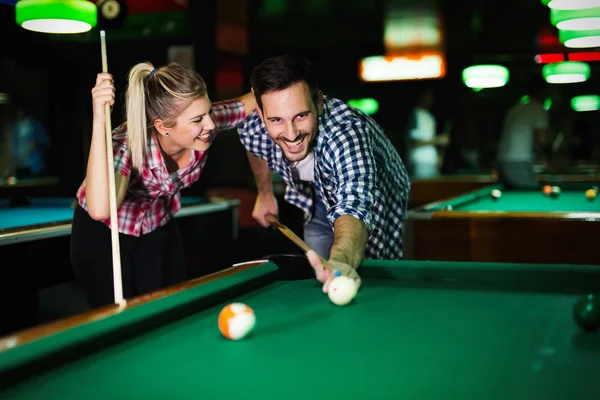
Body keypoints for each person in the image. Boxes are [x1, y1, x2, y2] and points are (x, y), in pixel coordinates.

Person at [70, 62, 255, 309]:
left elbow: (256, 100)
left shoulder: (204, 123)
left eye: (209, 112)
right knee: (118, 321)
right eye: (198, 119)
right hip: (104, 235)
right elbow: (101, 209)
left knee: (171, 308)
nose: (211, 124)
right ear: (162, 126)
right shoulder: (125, 145)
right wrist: (99, 120)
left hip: (158, 225)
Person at [236, 55, 410, 293]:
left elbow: (353, 205)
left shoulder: (347, 134)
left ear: (318, 103)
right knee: (321, 271)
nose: (291, 134)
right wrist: (264, 192)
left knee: (373, 271)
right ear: (260, 112)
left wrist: (342, 261)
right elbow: (254, 144)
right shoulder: (252, 124)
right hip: (315, 197)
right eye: (276, 120)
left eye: (301, 116)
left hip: (376, 196)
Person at [496, 78, 549, 189]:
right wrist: (549, 159)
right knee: (533, 197)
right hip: (518, 163)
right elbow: (542, 140)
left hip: (502, 162)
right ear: (543, 92)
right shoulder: (538, 108)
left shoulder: (516, 107)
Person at [404, 88, 450, 179]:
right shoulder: (415, 114)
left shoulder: (430, 117)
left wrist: (438, 156)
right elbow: (415, 142)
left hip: (432, 161)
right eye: (427, 97)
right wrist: (438, 140)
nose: (430, 100)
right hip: (420, 161)